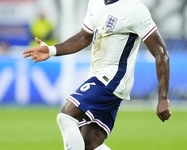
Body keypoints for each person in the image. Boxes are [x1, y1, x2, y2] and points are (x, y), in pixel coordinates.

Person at [22, 0, 172, 149]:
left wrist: (163, 98)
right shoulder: (95, 3)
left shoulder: (134, 9)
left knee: (66, 117)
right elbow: (83, 38)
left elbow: (161, 53)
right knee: (90, 143)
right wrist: (52, 50)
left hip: (112, 80)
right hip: (99, 78)